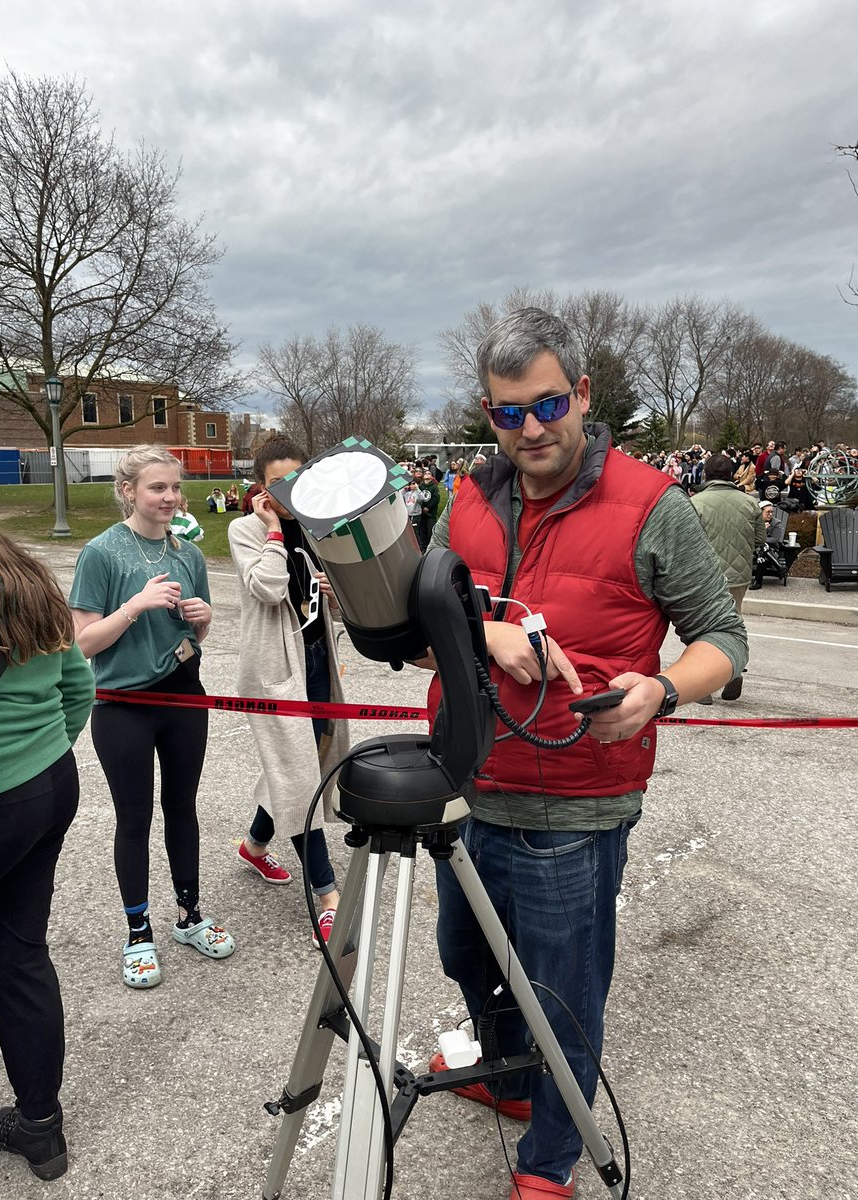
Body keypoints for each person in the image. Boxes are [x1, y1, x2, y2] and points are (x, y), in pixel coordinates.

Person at [423, 308, 747, 1199]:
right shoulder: (468, 501)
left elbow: (724, 637)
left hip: (574, 805)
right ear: (486, 413)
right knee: (467, 957)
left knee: (562, 997)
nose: (531, 428)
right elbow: (427, 622)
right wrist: (481, 636)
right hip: (465, 788)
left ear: (584, 395)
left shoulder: (651, 504)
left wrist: (661, 692)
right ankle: (516, 1083)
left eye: (548, 403)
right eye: (506, 413)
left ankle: (548, 1165)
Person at [0, 494, 94, 1181]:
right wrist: (40, 755)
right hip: (43, 785)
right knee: (19, 957)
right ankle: (41, 1128)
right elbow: (78, 684)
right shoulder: (19, 568)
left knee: (17, 956)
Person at [69, 445, 234, 989]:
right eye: (156, 488)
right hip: (123, 705)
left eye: (174, 488)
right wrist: (133, 606)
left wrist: (203, 619)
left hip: (184, 695)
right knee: (134, 818)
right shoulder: (102, 552)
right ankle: (138, 931)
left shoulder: (187, 554)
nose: (169, 497)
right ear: (128, 492)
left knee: (182, 808)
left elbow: (194, 636)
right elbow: (85, 643)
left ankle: (188, 915)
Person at [229, 436, 350, 948]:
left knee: (304, 762)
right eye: (278, 482)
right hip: (275, 671)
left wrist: (330, 590)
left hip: (315, 662)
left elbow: (330, 600)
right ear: (260, 485)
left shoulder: (313, 528)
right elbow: (268, 588)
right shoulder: (246, 528)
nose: (289, 489)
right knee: (299, 773)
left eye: (296, 479)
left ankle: (255, 846)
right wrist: (275, 531)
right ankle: (325, 893)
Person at [691, 455, 765, 703]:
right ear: (732, 475)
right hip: (738, 575)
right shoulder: (750, 503)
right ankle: (732, 670)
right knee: (733, 624)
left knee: (703, 628)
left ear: (706, 475)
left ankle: (703, 685)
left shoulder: (695, 502)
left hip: (704, 575)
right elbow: (759, 540)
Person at [416, 468, 441, 551]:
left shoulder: (434, 487)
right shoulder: (420, 486)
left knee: (430, 530)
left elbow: (436, 498)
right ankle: (423, 546)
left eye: (429, 473)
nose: (427, 474)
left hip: (431, 513)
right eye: (425, 473)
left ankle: (431, 547)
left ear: (432, 477)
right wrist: (422, 508)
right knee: (422, 530)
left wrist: (428, 507)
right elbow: (418, 497)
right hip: (421, 512)